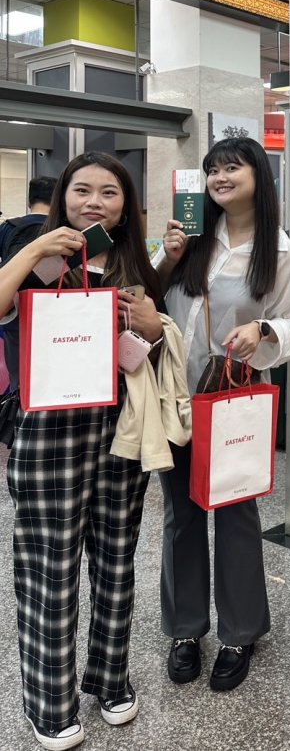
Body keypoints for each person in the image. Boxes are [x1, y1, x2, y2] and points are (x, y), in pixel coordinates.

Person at [0, 152, 165, 750]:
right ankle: (50, 702)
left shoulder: (128, 261)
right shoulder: (34, 253)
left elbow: (149, 346)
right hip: (47, 431)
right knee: (49, 568)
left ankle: (110, 678)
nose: (95, 201)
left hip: (121, 428)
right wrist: (32, 254)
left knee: (118, 560)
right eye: (83, 190)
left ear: (126, 207)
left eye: (110, 193)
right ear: (63, 195)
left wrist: (149, 321)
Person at [154, 135, 290, 692]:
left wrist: (263, 330)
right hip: (176, 395)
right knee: (180, 514)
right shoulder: (191, 236)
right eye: (212, 169)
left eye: (232, 168)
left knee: (236, 514)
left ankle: (240, 631)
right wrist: (167, 258)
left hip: (234, 398)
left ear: (257, 177)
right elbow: (152, 299)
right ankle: (186, 629)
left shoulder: (280, 252)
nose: (220, 177)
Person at [0, 176, 57, 390]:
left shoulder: (8, 227)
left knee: (19, 378)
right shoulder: (63, 230)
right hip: (56, 315)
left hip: (15, 315)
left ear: (29, 201)